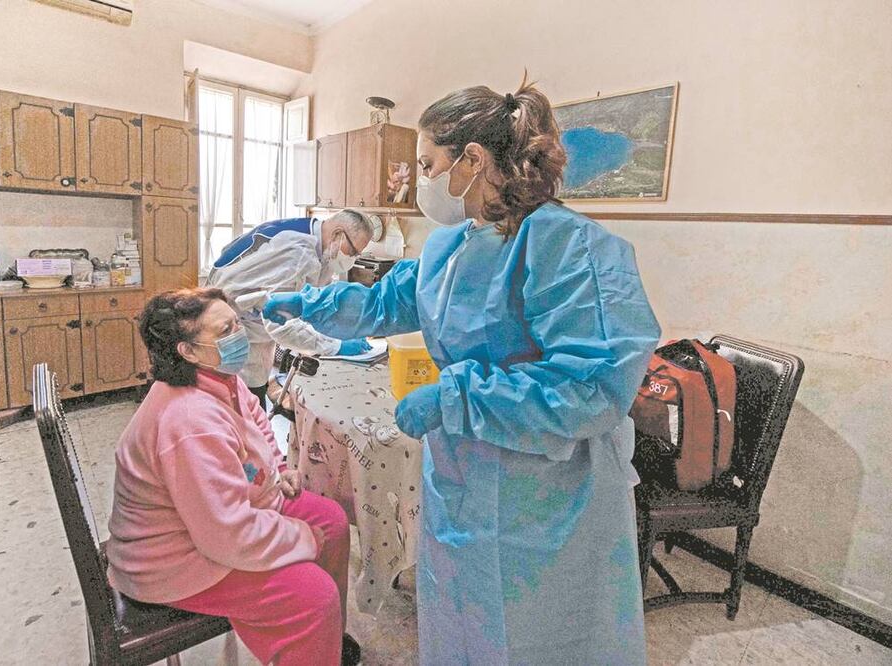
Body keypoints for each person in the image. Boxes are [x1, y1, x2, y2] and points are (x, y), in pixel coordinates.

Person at [264, 77, 661, 664]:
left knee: (544, 633)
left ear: (473, 160)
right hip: (464, 471)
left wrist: (457, 397)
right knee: (464, 618)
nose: (422, 180)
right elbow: (392, 300)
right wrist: (316, 305)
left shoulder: (575, 248)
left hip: (548, 489)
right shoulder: (455, 244)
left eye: (427, 164)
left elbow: (594, 385)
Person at [105, 288, 360, 666]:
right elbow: (227, 536)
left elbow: (254, 427)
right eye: (226, 330)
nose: (239, 335)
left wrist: (279, 470)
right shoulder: (189, 422)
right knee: (313, 596)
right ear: (187, 351)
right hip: (172, 558)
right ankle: (309, 636)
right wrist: (300, 539)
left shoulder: (218, 377)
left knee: (334, 522)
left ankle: (325, 644)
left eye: (237, 322)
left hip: (212, 523)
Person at [207, 209, 376, 407]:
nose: (352, 258)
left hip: (253, 335)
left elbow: (315, 300)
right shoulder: (297, 253)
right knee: (240, 413)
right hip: (232, 335)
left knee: (253, 406)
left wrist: (342, 330)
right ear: (338, 234)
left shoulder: (320, 245)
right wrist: (337, 346)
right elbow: (281, 325)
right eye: (353, 251)